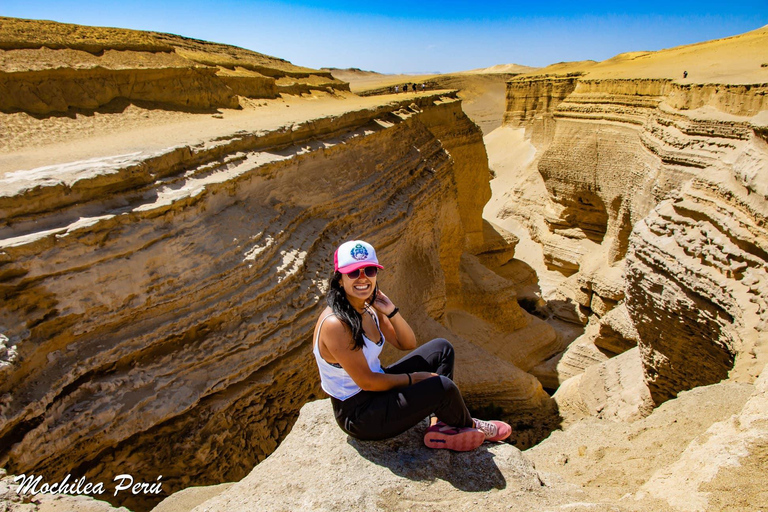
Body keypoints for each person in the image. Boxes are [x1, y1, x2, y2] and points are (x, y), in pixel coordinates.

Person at [313, 240, 512, 451]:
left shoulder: (368, 308)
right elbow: (368, 382)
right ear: (339, 280)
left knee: (441, 349)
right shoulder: (336, 324)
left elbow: (407, 343)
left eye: (369, 270)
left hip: (378, 392)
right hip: (360, 415)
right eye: (354, 273)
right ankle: (469, 424)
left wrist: (390, 311)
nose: (363, 278)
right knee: (441, 387)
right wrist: (414, 379)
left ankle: (441, 425)